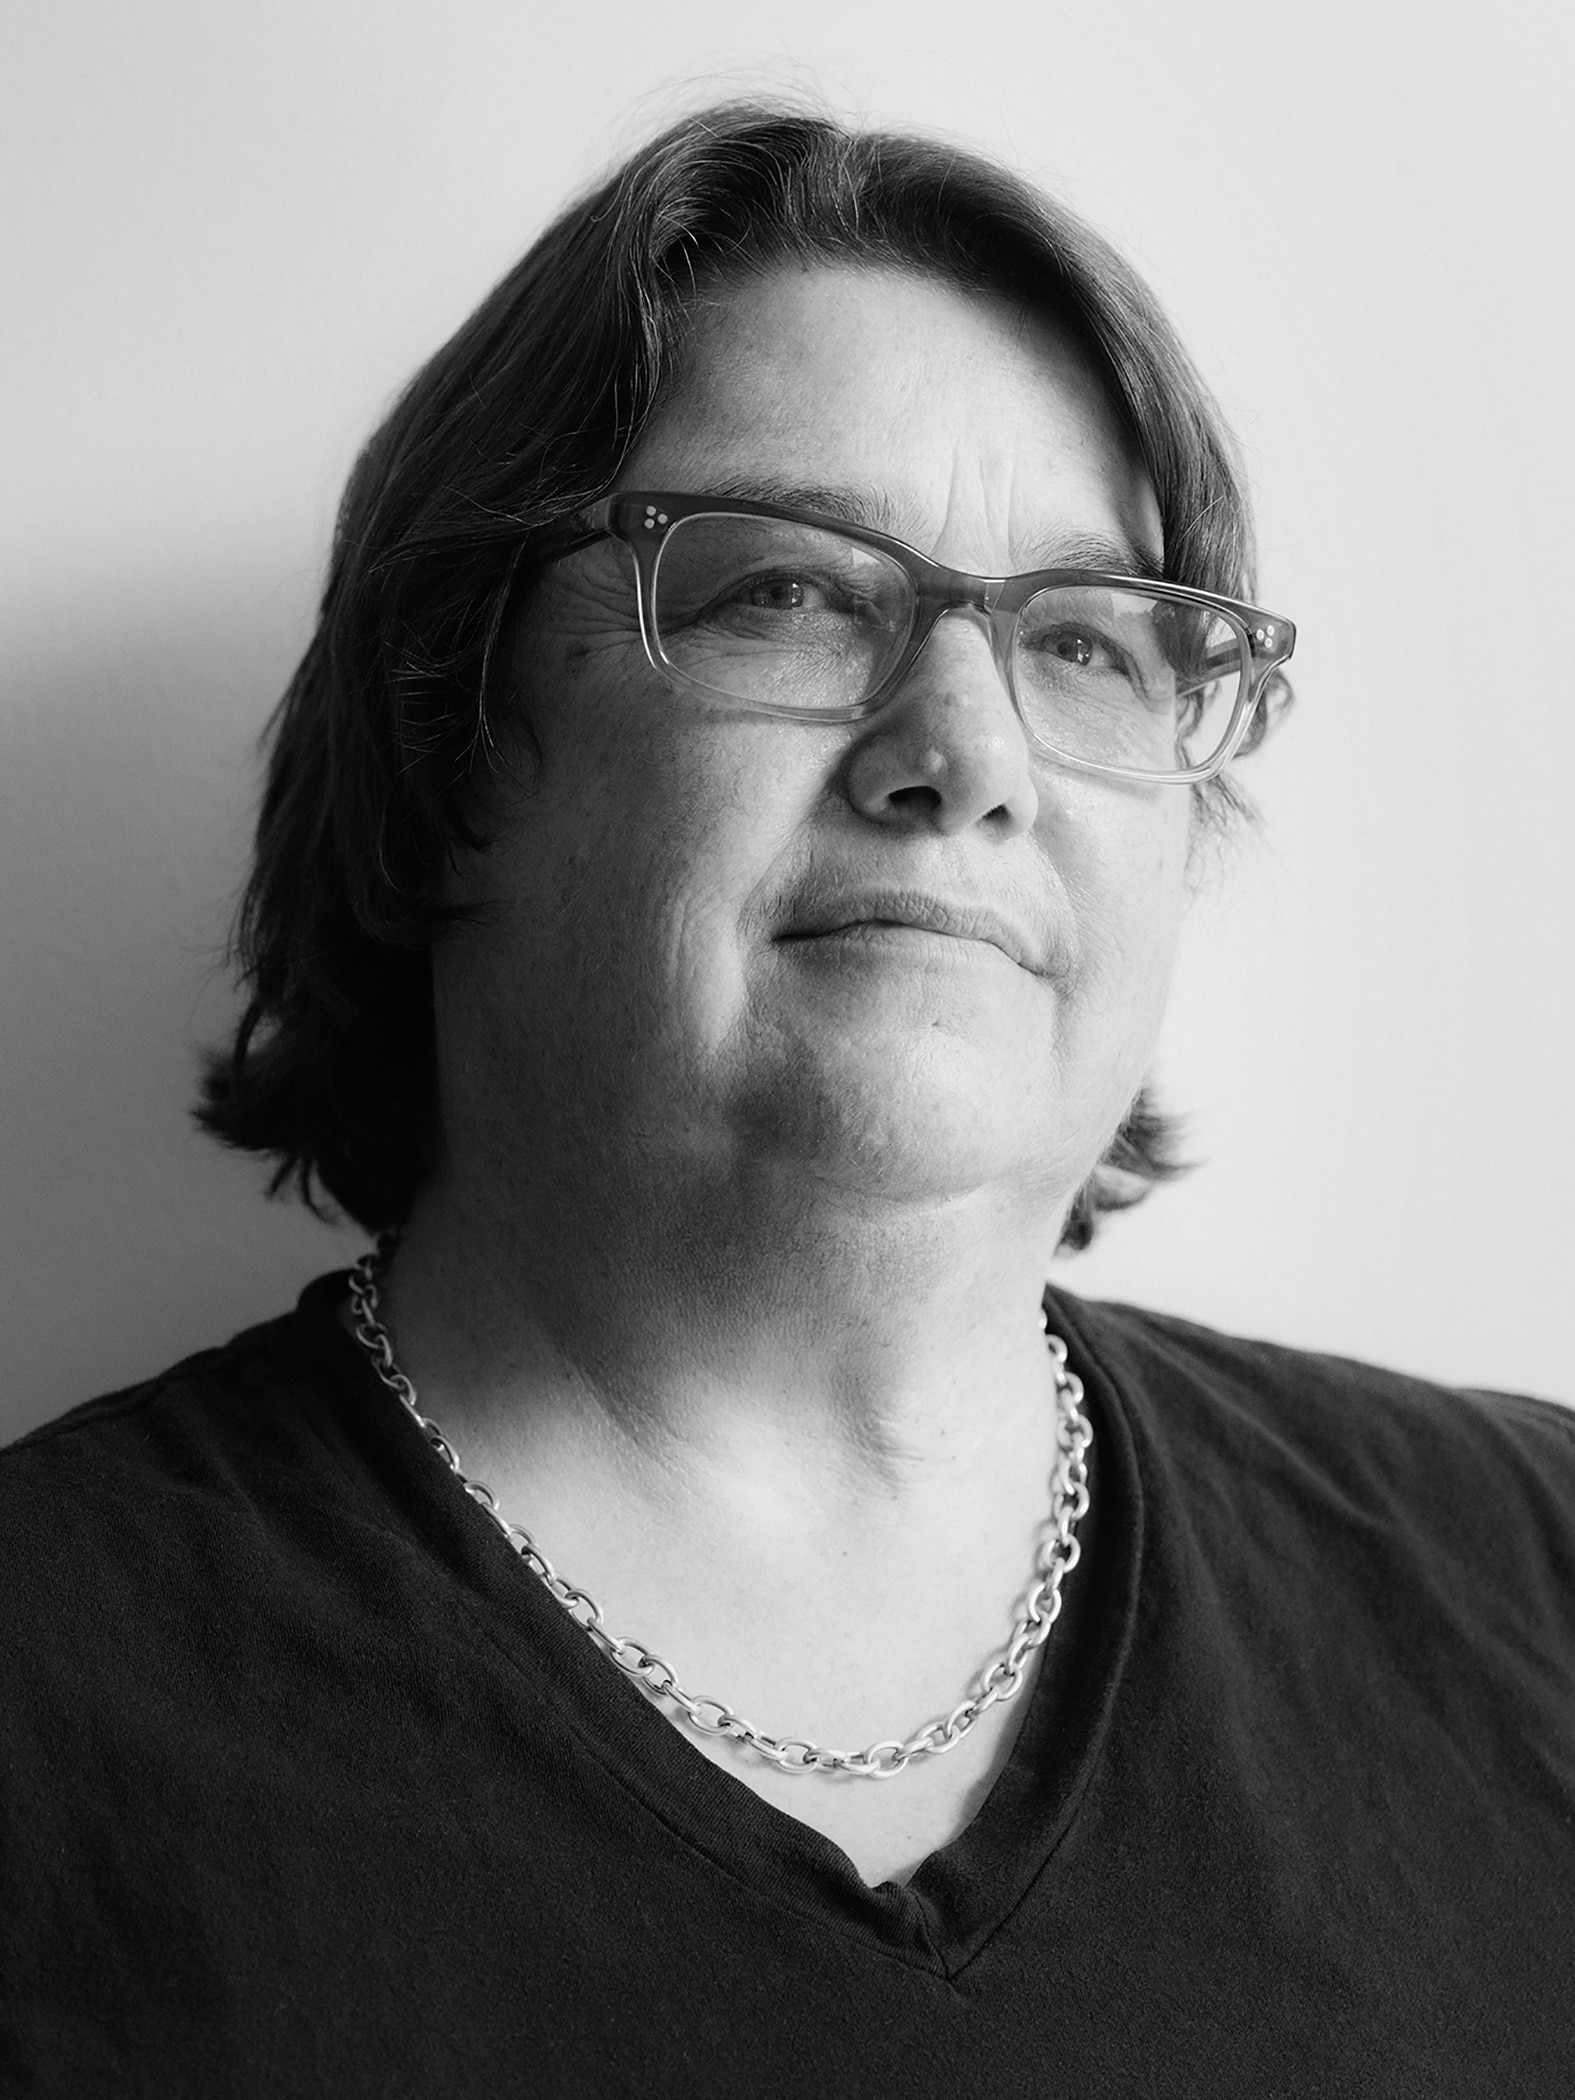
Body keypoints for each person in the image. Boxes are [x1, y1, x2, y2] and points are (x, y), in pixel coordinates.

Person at [1, 101, 1570, 2098]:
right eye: (788, 594)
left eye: (1084, 642)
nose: (964, 751)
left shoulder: (1533, 1577)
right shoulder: (49, 1713)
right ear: (452, 740)